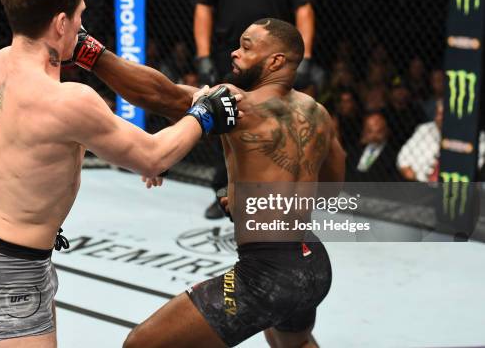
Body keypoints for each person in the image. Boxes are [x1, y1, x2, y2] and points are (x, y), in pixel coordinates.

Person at [0, 0, 239, 347]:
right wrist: (205, 113)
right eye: (79, 17)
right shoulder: (68, 101)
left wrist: (132, 147)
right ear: (59, 23)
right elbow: (155, 154)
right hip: (9, 271)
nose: (82, 26)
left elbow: (40, 146)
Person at [69, 19, 344, 347]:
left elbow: (162, 95)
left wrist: (89, 52)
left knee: (140, 344)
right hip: (311, 263)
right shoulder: (318, 114)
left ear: (275, 61)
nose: (235, 53)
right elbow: (330, 188)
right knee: (293, 341)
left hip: (267, 276)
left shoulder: (236, 101)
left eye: (247, 46)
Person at [194, 0, 316, 218]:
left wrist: (305, 57)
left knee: (275, 127)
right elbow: (204, 6)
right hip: (231, 56)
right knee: (224, 123)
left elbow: (303, 8)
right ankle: (224, 193)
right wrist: (202, 56)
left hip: (273, 63)